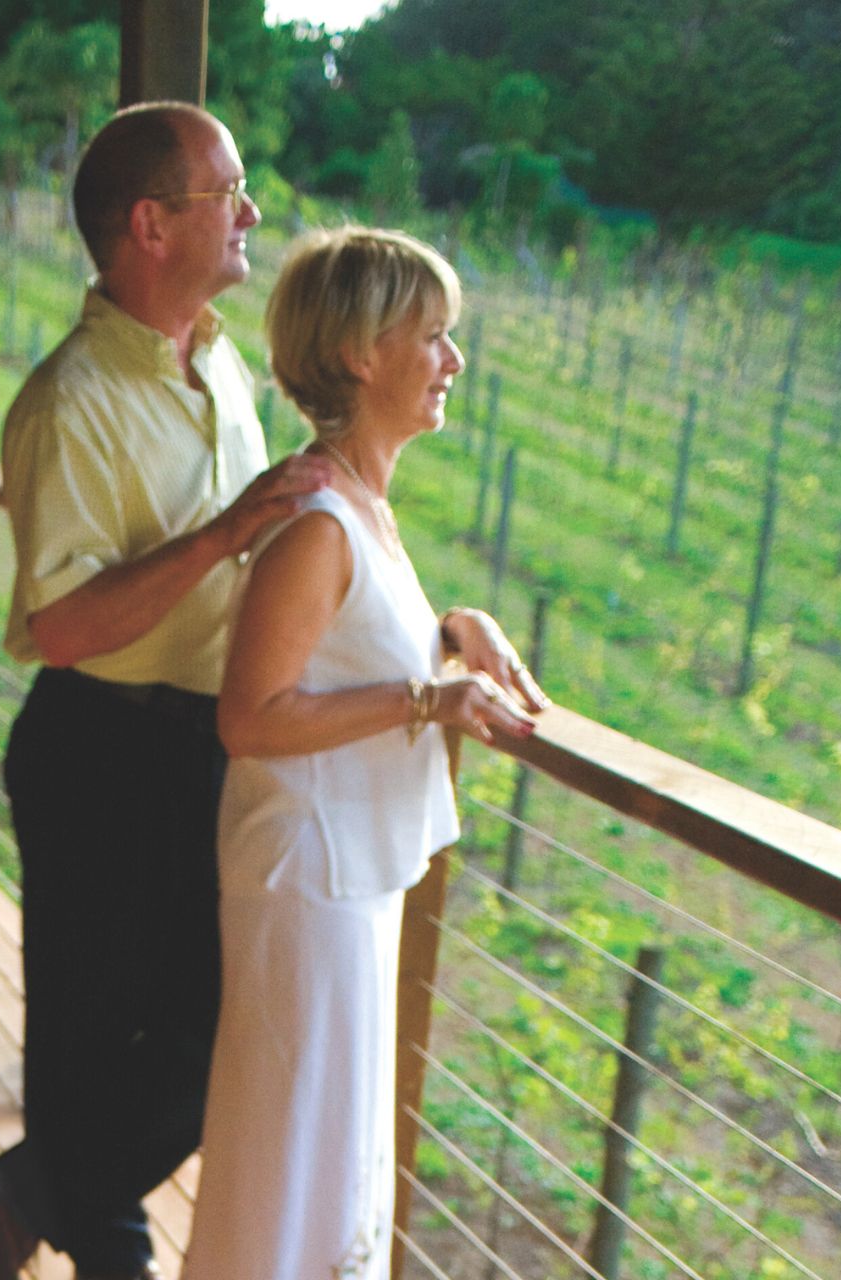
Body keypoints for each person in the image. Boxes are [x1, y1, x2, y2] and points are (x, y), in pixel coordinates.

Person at [0, 103, 335, 1280]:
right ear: (152, 222)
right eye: (229, 191)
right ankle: (102, 1242)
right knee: (82, 1027)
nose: (252, 211)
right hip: (99, 747)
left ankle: (41, 1185)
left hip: (199, 743)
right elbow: (62, 625)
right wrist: (224, 533)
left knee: (216, 1020)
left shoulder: (214, 355)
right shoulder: (67, 402)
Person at [178, 226, 549, 1280]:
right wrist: (427, 694)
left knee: (324, 1165)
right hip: (309, 885)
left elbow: (341, 641)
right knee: (286, 1169)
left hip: (348, 881)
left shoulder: (359, 506)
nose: (453, 360)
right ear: (360, 353)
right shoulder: (316, 522)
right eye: (433, 334)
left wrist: (447, 628)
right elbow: (250, 715)